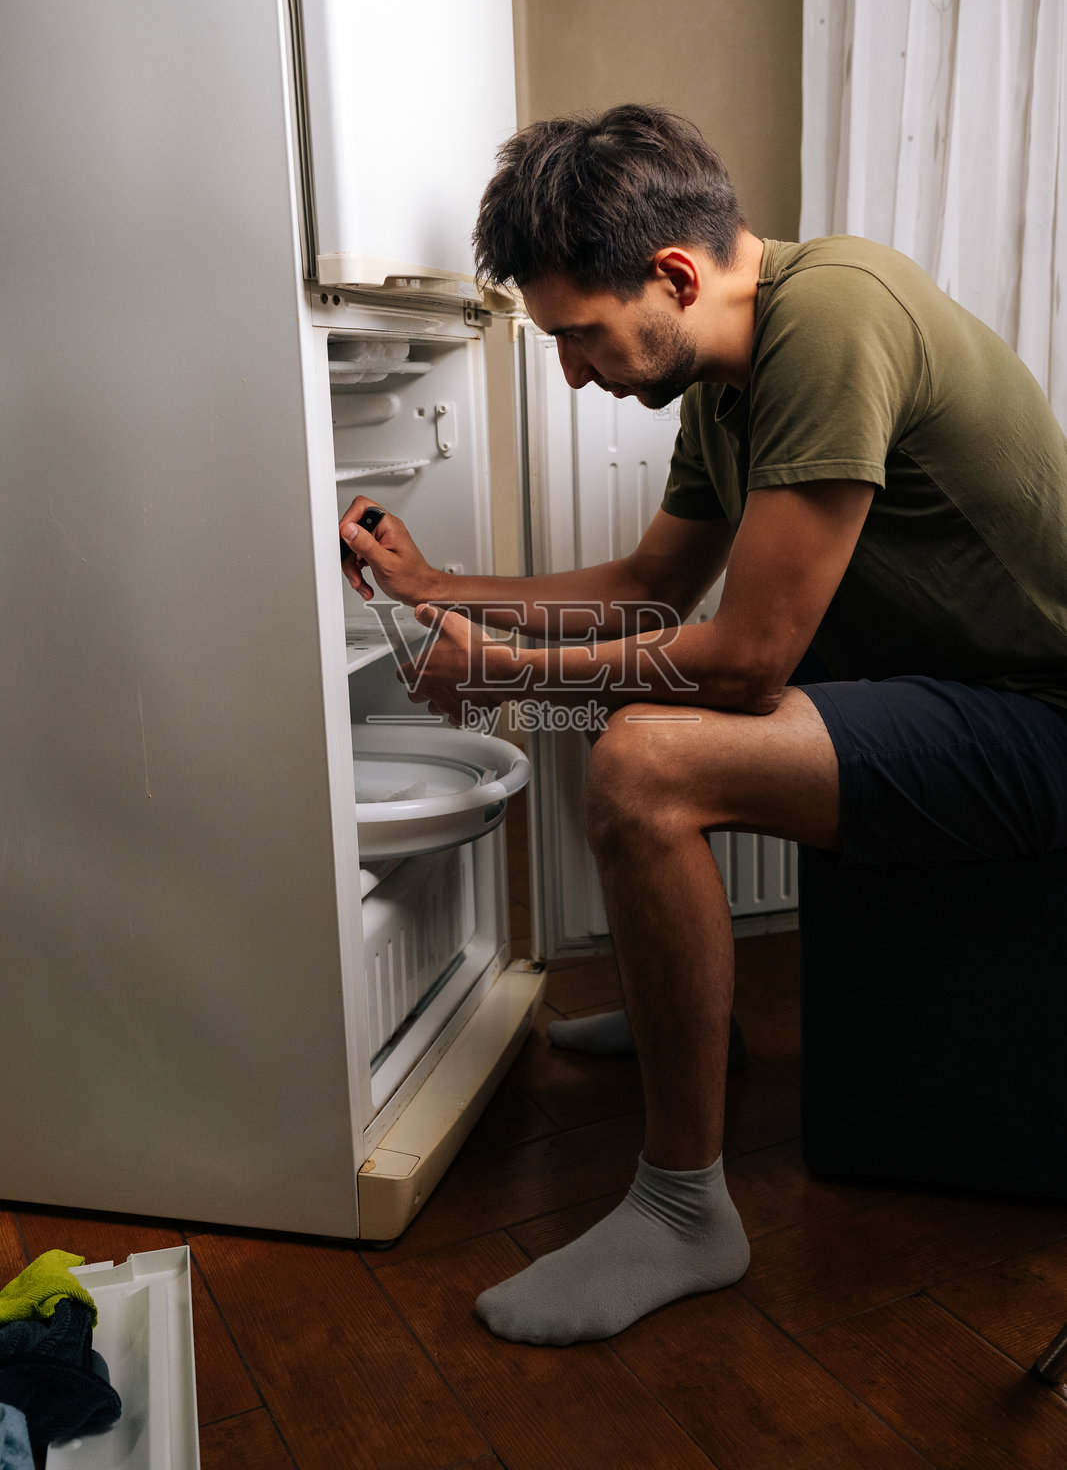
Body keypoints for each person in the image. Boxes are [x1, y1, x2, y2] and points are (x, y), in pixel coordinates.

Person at [339, 104, 1067, 1346]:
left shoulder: (833, 316)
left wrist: (502, 673)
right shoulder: (724, 383)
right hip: (943, 685)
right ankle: (689, 1012)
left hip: (1038, 720)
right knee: (636, 681)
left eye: (578, 334)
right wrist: (436, 588)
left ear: (674, 277)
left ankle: (683, 1209)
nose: (573, 372)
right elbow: (648, 587)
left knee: (646, 759)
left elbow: (745, 658)